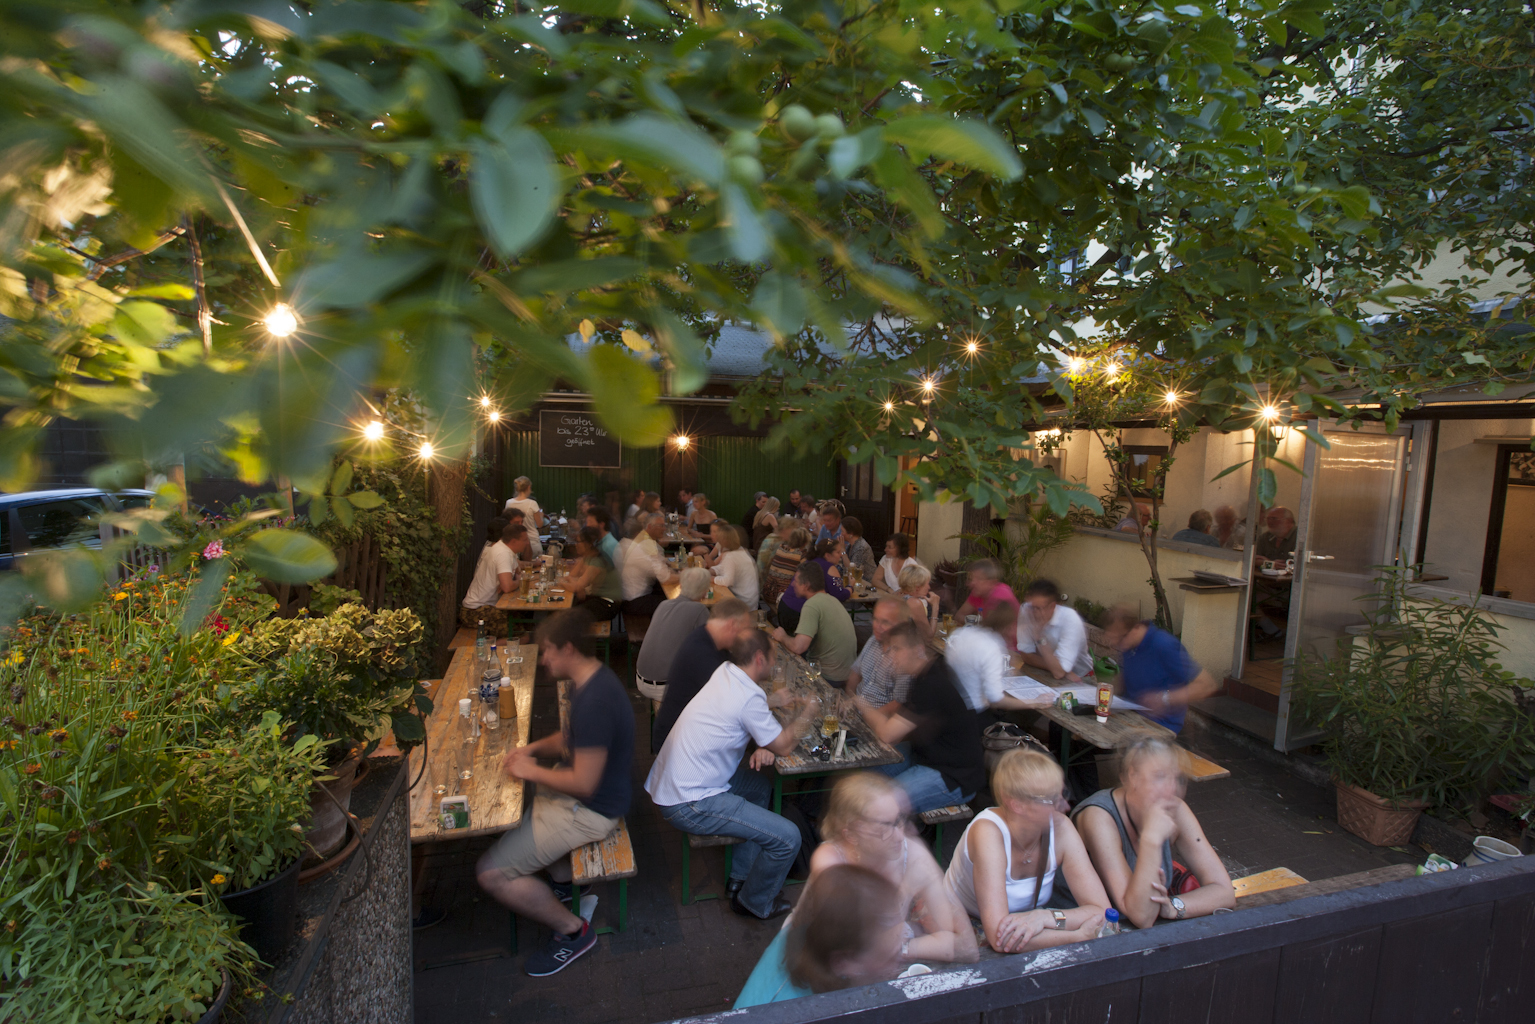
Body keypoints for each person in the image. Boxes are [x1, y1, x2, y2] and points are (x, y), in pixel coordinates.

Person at [477, 610, 634, 976]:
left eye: (548, 650)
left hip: (592, 811)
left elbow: (584, 783)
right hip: (587, 798)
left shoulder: (595, 701)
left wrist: (531, 770)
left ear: (568, 649)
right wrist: (530, 750)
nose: (544, 659)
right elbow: (569, 739)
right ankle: (563, 881)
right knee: (517, 793)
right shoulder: (590, 679)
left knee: (490, 874)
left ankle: (574, 932)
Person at [648, 629, 819, 920]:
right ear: (759, 659)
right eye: (773, 659)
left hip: (675, 782)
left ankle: (739, 879)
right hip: (690, 802)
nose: (775, 665)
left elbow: (739, 708)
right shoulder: (749, 697)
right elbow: (784, 746)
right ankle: (754, 902)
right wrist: (809, 713)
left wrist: (772, 702)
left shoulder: (726, 672)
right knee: (789, 837)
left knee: (759, 787)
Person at [944, 750, 1110, 954]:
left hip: (1024, 925)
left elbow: (1103, 912)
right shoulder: (988, 833)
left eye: (1063, 794)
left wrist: (1047, 917)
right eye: (1052, 800)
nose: (1065, 806)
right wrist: (1076, 937)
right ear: (1017, 805)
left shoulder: (1060, 827)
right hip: (959, 928)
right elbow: (1000, 938)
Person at [808, 774, 979, 964]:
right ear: (852, 835)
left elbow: (967, 947)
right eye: (885, 826)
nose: (899, 836)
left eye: (899, 820)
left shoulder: (911, 854)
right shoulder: (830, 861)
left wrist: (903, 945)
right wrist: (910, 926)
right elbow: (849, 952)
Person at [1073, 734, 1235, 930]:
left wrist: (1174, 907)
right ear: (1132, 776)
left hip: (1135, 934)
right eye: (1160, 777)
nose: (1172, 788)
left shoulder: (1174, 808)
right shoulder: (1099, 817)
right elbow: (1140, 916)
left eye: (1179, 779)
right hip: (1080, 933)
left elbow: (1224, 891)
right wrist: (1151, 840)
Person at [859, 620, 988, 814]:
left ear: (918, 649)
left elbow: (887, 734)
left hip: (954, 775)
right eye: (890, 650)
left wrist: (861, 704)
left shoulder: (932, 684)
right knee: (864, 777)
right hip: (925, 754)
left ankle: (904, 830)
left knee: (883, 802)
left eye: (897, 649)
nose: (891, 656)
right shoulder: (926, 673)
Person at [734, 865, 906, 1007]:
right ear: (843, 962)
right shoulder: (818, 1008)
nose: (899, 942)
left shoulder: (809, 932)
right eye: (885, 954)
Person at [652, 598, 756, 748]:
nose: (744, 639)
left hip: (688, 733)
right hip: (676, 744)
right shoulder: (701, 654)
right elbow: (734, 704)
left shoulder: (708, 636)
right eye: (744, 631)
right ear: (732, 625)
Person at [1100, 605, 1220, 733]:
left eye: (1120, 640)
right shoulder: (1130, 645)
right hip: (1131, 716)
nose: (1118, 646)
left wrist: (1164, 699)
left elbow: (1207, 685)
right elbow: (1130, 678)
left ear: (1136, 628)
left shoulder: (1164, 645)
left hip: (1160, 726)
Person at [773, 562, 857, 688]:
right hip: (847, 675)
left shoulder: (812, 605)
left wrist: (782, 636)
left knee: (780, 670)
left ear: (806, 586)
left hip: (828, 677)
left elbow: (798, 647)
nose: (793, 584)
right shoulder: (832, 600)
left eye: (796, 581)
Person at [634, 567, 712, 697]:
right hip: (665, 687)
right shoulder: (699, 609)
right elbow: (709, 647)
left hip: (641, 679)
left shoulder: (663, 604)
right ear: (704, 592)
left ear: (680, 586)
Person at [943, 602, 1032, 712]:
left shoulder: (961, 633)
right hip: (972, 711)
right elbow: (996, 700)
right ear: (1008, 627)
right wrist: (1034, 703)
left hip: (950, 704)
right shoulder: (992, 648)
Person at [460, 520, 530, 636]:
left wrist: (513, 581)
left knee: (520, 619)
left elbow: (518, 572)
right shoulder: (503, 554)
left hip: (484, 607)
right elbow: (507, 586)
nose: (527, 543)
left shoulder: (505, 549)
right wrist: (519, 581)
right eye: (524, 540)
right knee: (522, 636)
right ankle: (487, 645)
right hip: (476, 611)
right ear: (514, 541)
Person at [1016, 579, 1093, 682]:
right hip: (1048, 672)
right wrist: (1059, 668)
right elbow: (1026, 656)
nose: (1034, 612)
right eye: (1032, 607)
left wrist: (1039, 636)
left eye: (1038, 608)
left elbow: (1058, 673)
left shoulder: (1070, 619)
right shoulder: (1027, 609)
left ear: (1052, 607)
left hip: (1081, 677)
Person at [847, 596, 913, 707]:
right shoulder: (874, 640)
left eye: (885, 622)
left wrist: (865, 712)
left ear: (902, 625)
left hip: (876, 715)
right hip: (854, 707)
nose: (877, 626)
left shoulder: (904, 656)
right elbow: (855, 674)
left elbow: (898, 705)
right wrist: (849, 700)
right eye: (875, 619)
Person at [621, 512, 681, 618]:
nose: (664, 529)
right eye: (661, 526)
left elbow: (662, 564)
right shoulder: (642, 547)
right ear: (649, 527)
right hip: (635, 601)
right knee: (678, 603)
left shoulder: (631, 543)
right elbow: (666, 578)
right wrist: (686, 575)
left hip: (631, 597)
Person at [568, 526, 621, 621]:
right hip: (596, 598)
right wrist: (578, 584)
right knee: (570, 606)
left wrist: (560, 582)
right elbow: (572, 575)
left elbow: (577, 586)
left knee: (569, 615)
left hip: (607, 604)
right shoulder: (588, 556)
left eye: (578, 542)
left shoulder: (597, 561)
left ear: (588, 544)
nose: (576, 545)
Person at [763, 525, 811, 616]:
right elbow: (807, 578)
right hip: (781, 598)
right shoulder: (802, 555)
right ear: (805, 542)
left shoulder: (781, 548)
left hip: (767, 592)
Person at [710, 524, 760, 608]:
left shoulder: (731, 556)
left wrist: (711, 578)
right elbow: (723, 567)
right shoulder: (741, 550)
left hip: (743, 603)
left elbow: (727, 581)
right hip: (751, 600)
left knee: (713, 601)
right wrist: (712, 571)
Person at [960, 558, 1019, 628]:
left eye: (979, 579)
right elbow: (959, 615)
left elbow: (991, 628)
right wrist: (976, 623)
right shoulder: (978, 592)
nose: (973, 582)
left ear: (992, 582)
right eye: (972, 578)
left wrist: (973, 623)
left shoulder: (1001, 596)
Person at [897, 562, 940, 640]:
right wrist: (935, 606)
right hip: (898, 646)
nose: (929, 587)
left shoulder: (896, 595)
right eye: (927, 583)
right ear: (917, 587)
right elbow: (928, 637)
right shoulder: (914, 603)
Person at [841, 517, 878, 582]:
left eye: (842, 531)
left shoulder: (861, 547)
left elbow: (852, 570)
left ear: (851, 534)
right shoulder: (850, 545)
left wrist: (842, 550)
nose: (840, 534)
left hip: (866, 582)